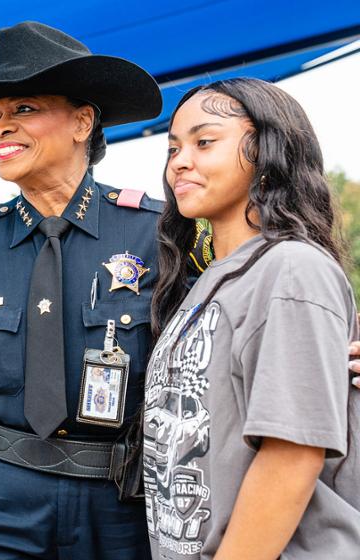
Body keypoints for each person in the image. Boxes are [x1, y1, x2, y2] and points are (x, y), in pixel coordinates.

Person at [0, 21, 167, 559]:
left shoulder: (160, 234)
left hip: (124, 510)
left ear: (82, 121)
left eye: (23, 109)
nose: (0, 128)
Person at [144, 78, 359, 559]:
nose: (179, 160)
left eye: (204, 141)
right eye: (173, 147)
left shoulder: (292, 270)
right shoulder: (207, 282)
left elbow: (291, 455)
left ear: (266, 151)